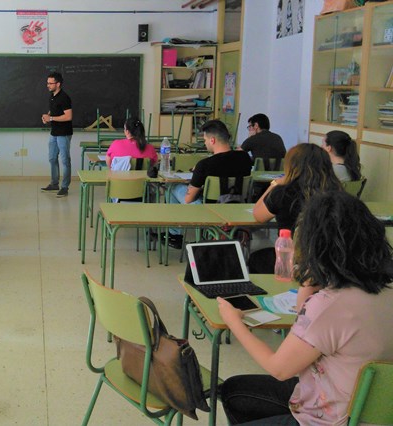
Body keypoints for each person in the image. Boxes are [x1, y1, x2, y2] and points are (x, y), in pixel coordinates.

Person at [218, 191, 393, 425]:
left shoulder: (330, 305)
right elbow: (313, 328)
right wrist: (309, 291)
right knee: (234, 391)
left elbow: (279, 369)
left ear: (316, 246)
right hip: (374, 409)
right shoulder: (382, 286)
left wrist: (234, 322)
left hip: (331, 417)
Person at [249, 143, 343, 273]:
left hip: (292, 259)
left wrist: (274, 184)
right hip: (329, 260)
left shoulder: (283, 193)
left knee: (256, 258)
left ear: (291, 166)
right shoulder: (338, 193)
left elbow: (258, 215)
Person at [166, 119, 252, 247]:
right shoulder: (245, 158)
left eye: (205, 140)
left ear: (212, 140)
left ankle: (174, 236)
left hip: (210, 210)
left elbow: (189, 199)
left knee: (173, 188)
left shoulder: (205, 165)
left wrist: (198, 181)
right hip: (238, 208)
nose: (205, 143)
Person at [40, 72, 73, 198]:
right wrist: (47, 116)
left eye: (50, 83)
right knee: (52, 158)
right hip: (54, 133)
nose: (48, 85)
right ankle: (54, 183)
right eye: (47, 83)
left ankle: (65, 187)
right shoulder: (52, 96)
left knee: (65, 160)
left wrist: (51, 118)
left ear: (58, 84)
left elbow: (68, 116)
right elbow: (53, 111)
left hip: (64, 133)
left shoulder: (64, 97)